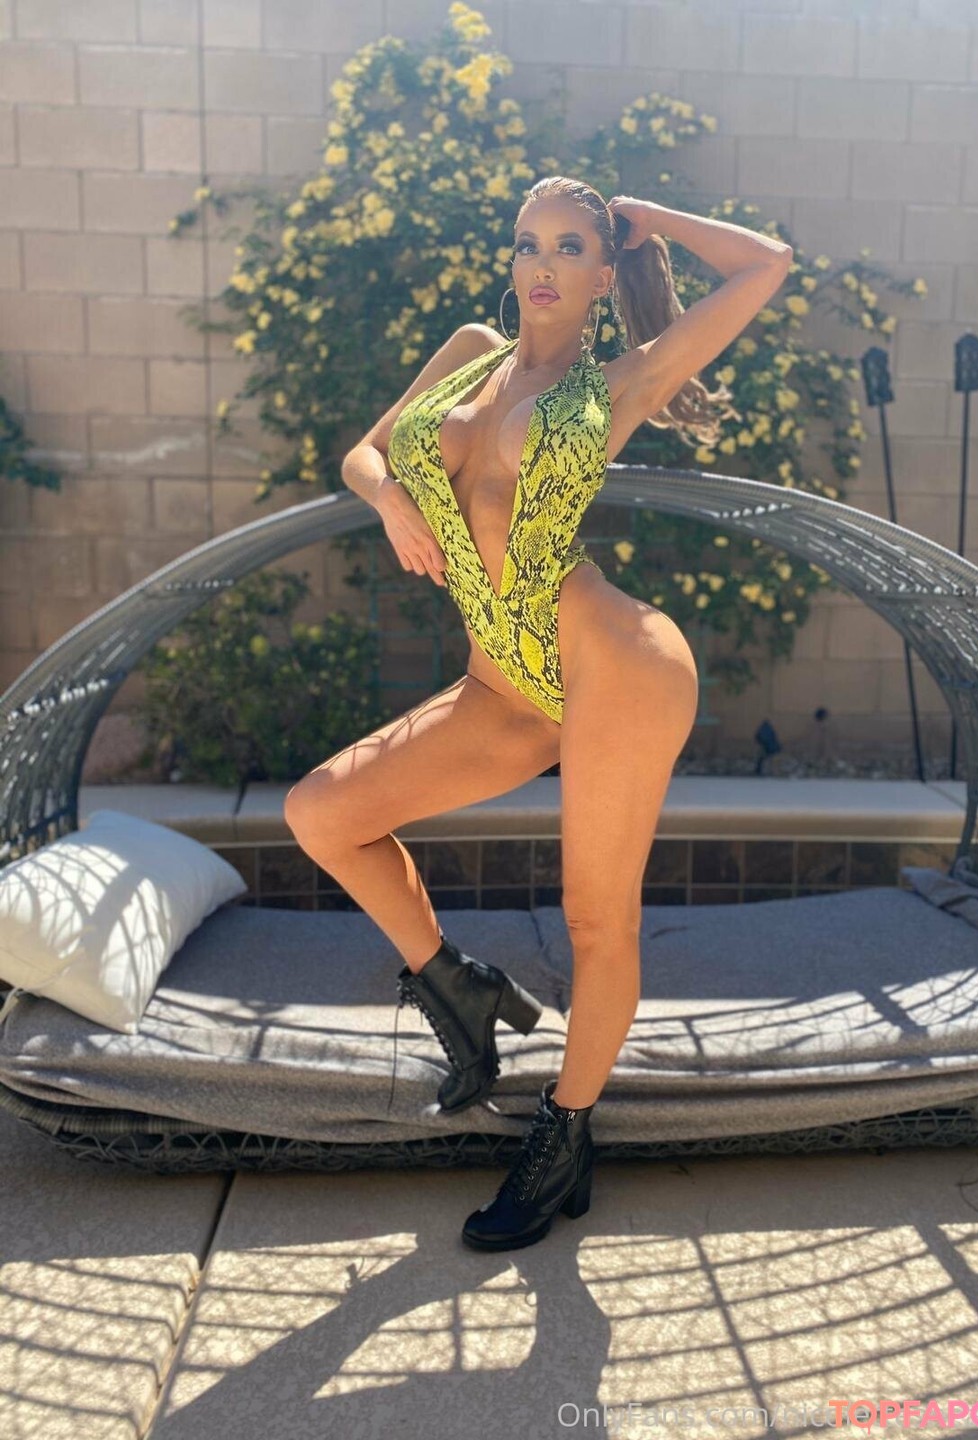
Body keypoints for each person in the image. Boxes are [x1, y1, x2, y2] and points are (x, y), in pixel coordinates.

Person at [285, 177, 792, 1250]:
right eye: (528, 244)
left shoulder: (621, 382)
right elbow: (364, 453)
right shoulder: (471, 353)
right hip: (503, 682)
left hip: (615, 665)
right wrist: (389, 502)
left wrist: (654, 218)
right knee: (322, 814)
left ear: (604, 276)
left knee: (596, 920)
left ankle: (565, 1138)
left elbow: (767, 266)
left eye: (570, 247)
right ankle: (457, 988)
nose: (544, 264)